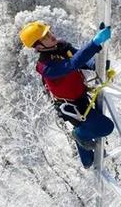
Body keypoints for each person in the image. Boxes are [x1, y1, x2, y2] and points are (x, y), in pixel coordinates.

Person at [19, 21, 114, 168]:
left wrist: (98, 66)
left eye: (49, 33)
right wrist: (94, 43)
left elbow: (82, 60)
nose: (52, 36)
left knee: (93, 147)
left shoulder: (62, 47)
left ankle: (87, 160)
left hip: (81, 98)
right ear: (38, 46)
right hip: (71, 108)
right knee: (105, 127)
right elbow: (72, 64)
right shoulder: (45, 66)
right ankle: (80, 135)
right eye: (46, 37)